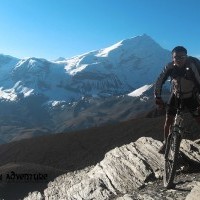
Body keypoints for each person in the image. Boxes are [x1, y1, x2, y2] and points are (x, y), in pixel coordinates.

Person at [154, 46, 200, 154]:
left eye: (182, 57)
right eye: (176, 57)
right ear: (172, 58)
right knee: (168, 120)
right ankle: (166, 143)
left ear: (186, 57)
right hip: (176, 95)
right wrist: (158, 98)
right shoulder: (169, 67)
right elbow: (159, 82)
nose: (179, 59)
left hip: (190, 96)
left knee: (199, 119)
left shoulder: (192, 66)